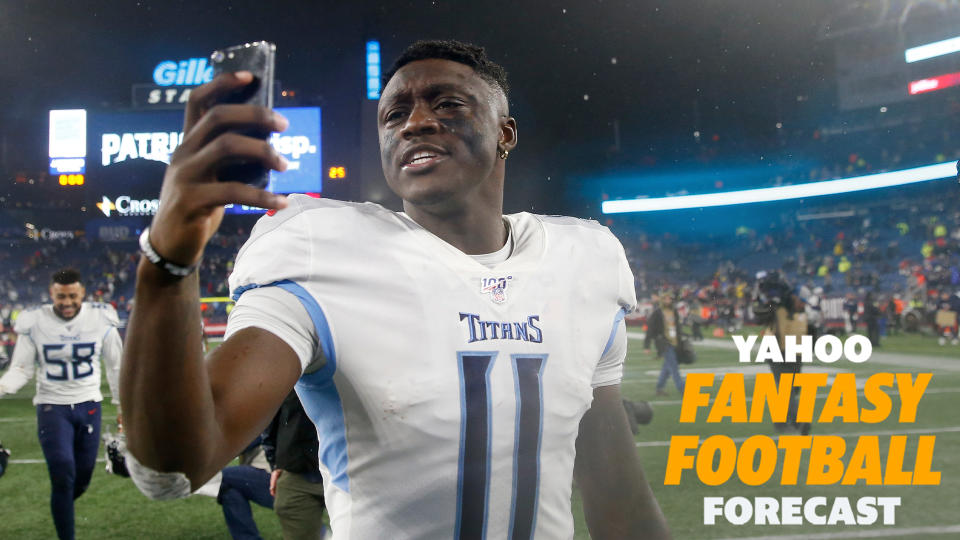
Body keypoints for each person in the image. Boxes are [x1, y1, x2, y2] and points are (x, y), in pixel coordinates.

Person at [120, 39, 670, 539]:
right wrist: (167, 260)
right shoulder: (319, 248)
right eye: (395, 114)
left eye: (448, 103)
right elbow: (173, 469)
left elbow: (618, 499)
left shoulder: (586, 261)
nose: (415, 123)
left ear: (505, 131)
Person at [0, 268, 122, 540]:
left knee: (80, 479)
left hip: (89, 405)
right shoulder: (35, 321)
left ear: (83, 295)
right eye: (60, 297)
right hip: (51, 407)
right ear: (51, 295)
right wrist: (2, 386)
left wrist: (122, 408)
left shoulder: (100, 319)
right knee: (62, 473)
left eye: (72, 296)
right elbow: (21, 369)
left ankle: (62, 502)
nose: (66, 303)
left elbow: (116, 367)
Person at [263, 391, 328, 539]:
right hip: (298, 471)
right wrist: (275, 463)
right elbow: (272, 413)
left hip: (358, 468)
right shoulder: (284, 371)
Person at [645, 292, 685, 397]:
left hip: (675, 342)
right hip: (664, 343)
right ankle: (683, 389)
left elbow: (677, 327)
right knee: (674, 367)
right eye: (665, 299)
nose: (668, 301)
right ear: (662, 300)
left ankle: (659, 388)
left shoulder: (674, 311)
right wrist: (647, 345)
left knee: (667, 368)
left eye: (669, 299)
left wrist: (681, 339)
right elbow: (650, 329)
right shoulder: (657, 313)